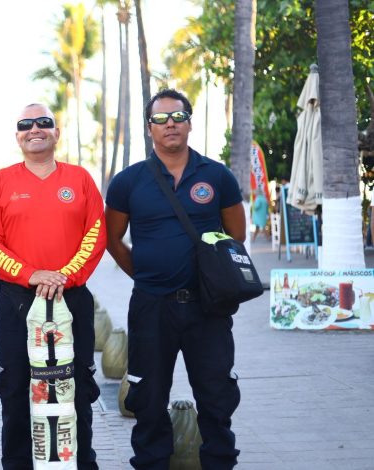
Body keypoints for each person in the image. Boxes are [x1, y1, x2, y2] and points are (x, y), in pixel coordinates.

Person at [105, 88, 244, 470]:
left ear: (190, 123)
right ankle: (151, 463)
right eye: (162, 119)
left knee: (216, 396)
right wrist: (147, 275)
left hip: (209, 308)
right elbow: (112, 240)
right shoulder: (128, 182)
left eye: (178, 117)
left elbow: (237, 236)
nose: (171, 125)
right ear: (149, 127)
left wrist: (211, 278)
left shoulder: (217, 176)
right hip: (151, 306)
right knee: (148, 398)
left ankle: (219, 462)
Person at [0, 103, 106, 469]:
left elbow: (95, 234)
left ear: (56, 132)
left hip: (72, 298)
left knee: (77, 387)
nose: (34, 129)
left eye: (43, 122)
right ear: (17, 135)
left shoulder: (80, 179)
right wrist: (32, 274)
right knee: (16, 388)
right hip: (17, 301)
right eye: (25, 124)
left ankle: (81, 463)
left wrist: (63, 276)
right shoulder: (1, 181)